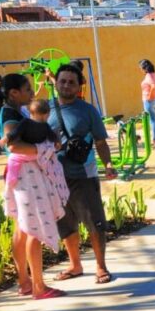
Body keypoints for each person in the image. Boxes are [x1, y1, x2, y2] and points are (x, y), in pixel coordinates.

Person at [0, 73, 68, 299]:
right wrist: (45, 150)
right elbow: (14, 146)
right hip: (27, 178)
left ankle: (25, 282)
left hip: (20, 176)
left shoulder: (17, 112)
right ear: (14, 93)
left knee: (22, 229)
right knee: (34, 229)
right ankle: (39, 287)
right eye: (27, 89)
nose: (32, 93)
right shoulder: (10, 116)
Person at [48, 63, 117, 284]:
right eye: (63, 81)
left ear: (79, 86)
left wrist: (107, 164)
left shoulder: (88, 111)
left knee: (94, 222)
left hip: (84, 176)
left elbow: (100, 141)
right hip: (56, 178)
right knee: (65, 223)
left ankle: (100, 266)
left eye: (71, 82)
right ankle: (75, 265)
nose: (66, 85)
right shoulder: (45, 110)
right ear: (56, 82)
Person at [139, 59, 155, 145]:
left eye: (141, 68)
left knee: (152, 120)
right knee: (154, 120)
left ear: (144, 68)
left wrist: (149, 98)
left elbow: (153, 86)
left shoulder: (149, 76)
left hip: (150, 101)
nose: (141, 70)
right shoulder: (154, 74)